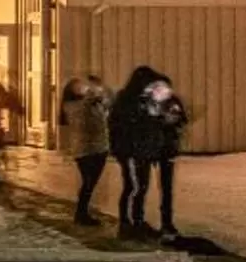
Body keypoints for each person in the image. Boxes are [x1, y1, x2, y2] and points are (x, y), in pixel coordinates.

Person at [107, 63, 189, 241]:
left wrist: (172, 118)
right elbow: (125, 125)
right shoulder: (134, 100)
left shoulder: (163, 98)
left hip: (161, 148)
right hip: (143, 149)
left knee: (155, 188)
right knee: (138, 186)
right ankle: (136, 222)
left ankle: (158, 223)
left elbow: (181, 118)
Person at [58, 74, 112, 225]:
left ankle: (83, 212)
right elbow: (86, 105)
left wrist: (101, 94)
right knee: (88, 182)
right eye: (79, 86)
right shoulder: (72, 105)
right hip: (84, 148)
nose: (84, 88)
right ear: (71, 91)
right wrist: (96, 88)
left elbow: (105, 106)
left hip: (100, 147)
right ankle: (81, 214)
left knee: (90, 182)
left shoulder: (93, 103)